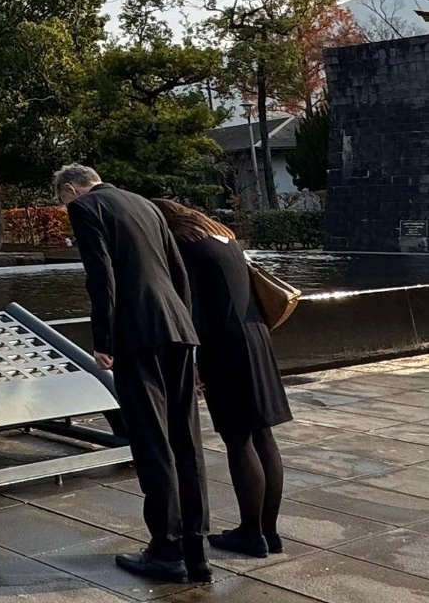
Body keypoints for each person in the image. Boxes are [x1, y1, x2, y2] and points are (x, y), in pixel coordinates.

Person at [53, 164, 210, 584]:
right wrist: (187, 327)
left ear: (71, 190)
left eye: (64, 201)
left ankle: (166, 550)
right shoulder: (146, 204)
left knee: (152, 441)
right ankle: (197, 551)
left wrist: (103, 339)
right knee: (186, 441)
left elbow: (100, 276)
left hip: (136, 334)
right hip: (177, 328)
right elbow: (178, 272)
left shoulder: (87, 208)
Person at [151, 198, 292, 558]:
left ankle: (250, 533)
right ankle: (269, 532)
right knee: (263, 434)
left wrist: (192, 360)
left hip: (225, 345)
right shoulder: (223, 237)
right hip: (256, 337)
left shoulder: (184, 246)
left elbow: (192, 307)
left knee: (238, 439)